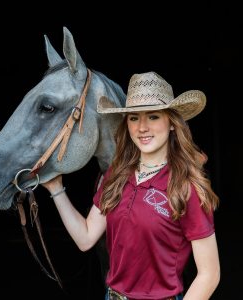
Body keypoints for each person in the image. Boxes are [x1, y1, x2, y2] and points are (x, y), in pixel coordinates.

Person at [41, 72, 220, 300]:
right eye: (134, 117)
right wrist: (56, 189)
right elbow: (85, 238)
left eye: (153, 117)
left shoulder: (185, 187)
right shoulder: (116, 175)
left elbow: (210, 274)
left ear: (172, 123)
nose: (142, 127)